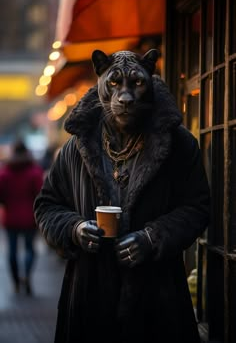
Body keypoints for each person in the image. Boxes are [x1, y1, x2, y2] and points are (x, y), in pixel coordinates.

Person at [34, 49, 210, 343]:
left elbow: (198, 207)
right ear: (100, 78)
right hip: (89, 302)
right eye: (115, 84)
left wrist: (152, 237)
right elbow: (46, 205)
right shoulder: (76, 147)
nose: (125, 97)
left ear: (150, 81)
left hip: (158, 303)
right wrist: (74, 229)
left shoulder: (179, 145)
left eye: (136, 84)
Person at [0, 139, 44, 294]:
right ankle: (27, 276)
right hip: (29, 217)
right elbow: (41, 195)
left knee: (11, 251)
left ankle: (16, 282)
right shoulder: (34, 171)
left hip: (10, 217)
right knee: (30, 249)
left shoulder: (5, 172)